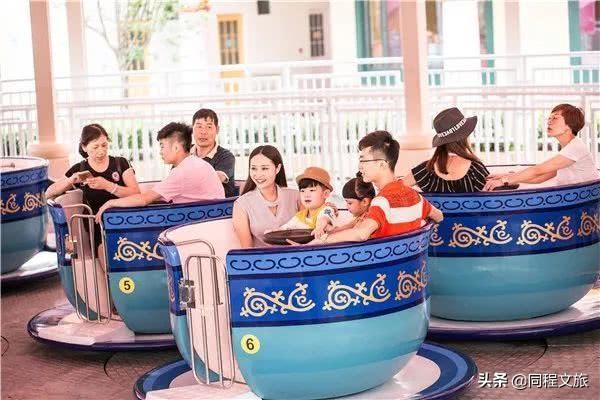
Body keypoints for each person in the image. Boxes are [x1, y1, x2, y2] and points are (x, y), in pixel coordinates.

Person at [310, 131, 443, 245]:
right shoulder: (416, 197)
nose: (360, 167)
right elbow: (439, 216)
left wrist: (322, 240)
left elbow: (361, 234)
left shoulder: (382, 202)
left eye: (363, 160)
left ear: (382, 164)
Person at [95, 122, 224, 222]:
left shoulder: (183, 171)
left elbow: (144, 199)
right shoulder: (195, 163)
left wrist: (111, 203)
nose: (160, 152)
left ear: (176, 147)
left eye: (162, 146)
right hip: (210, 222)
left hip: (201, 228)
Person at [46, 124, 140, 248]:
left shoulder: (120, 163)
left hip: (125, 219)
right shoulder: (80, 168)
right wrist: (71, 180)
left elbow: (136, 193)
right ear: (84, 147)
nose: (101, 151)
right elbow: (49, 192)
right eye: (95, 147)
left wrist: (108, 185)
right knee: (104, 250)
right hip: (97, 223)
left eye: (104, 145)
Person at [484, 104, 600, 191]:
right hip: (578, 198)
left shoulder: (575, 148)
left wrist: (505, 180)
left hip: (587, 202)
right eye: (549, 118)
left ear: (569, 125)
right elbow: (540, 178)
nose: (549, 122)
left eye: (555, 118)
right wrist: (507, 176)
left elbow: (538, 170)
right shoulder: (568, 148)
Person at [402, 107, 489, 192]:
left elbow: (397, 188)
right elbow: (492, 195)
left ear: (441, 141)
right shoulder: (476, 169)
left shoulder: (426, 169)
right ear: (465, 137)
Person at [232, 145, 301, 248]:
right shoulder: (241, 204)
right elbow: (247, 249)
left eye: (264, 168)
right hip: (261, 257)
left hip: (298, 256)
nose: (258, 174)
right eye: (253, 168)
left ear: (277, 168)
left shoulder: (296, 196)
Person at [276, 167, 335, 238]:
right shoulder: (300, 215)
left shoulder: (327, 209)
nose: (306, 195)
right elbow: (286, 227)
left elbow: (324, 219)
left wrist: (319, 228)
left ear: (325, 194)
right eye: (302, 191)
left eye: (312, 190)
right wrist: (274, 231)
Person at [190, 108, 237, 197]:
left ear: (217, 130)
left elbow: (213, 180)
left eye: (209, 127)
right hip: (186, 203)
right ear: (192, 129)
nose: (203, 132)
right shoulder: (184, 152)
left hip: (217, 204)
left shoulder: (226, 156)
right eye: (199, 126)